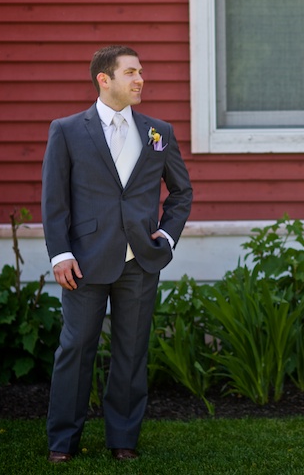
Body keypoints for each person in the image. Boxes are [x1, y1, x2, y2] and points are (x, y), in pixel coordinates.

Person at [41, 45, 193, 463]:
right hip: (85, 262)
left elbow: (181, 192)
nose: (140, 79)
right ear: (104, 80)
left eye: (141, 71)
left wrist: (167, 235)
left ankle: (123, 439)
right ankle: (62, 442)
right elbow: (55, 201)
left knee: (131, 351)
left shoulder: (158, 131)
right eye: (131, 72)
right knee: (75, 349)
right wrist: (60, 255)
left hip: (141, 261)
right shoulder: (68, 130)